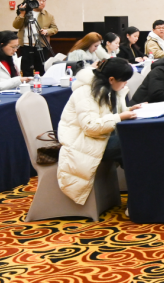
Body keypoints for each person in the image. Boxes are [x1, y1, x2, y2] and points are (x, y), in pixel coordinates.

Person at [56, 59, 141, 205]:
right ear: (111, 79)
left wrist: (129, 110)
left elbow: (106, 114)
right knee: (130, 143)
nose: (126, 84)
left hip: (99, 138)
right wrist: (120, 117)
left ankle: (140, 198)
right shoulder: (85, 92)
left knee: (135, 141)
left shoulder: (107, 88)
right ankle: (138, 200)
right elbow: (90, 127)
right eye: (124, 80)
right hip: (81, 143)